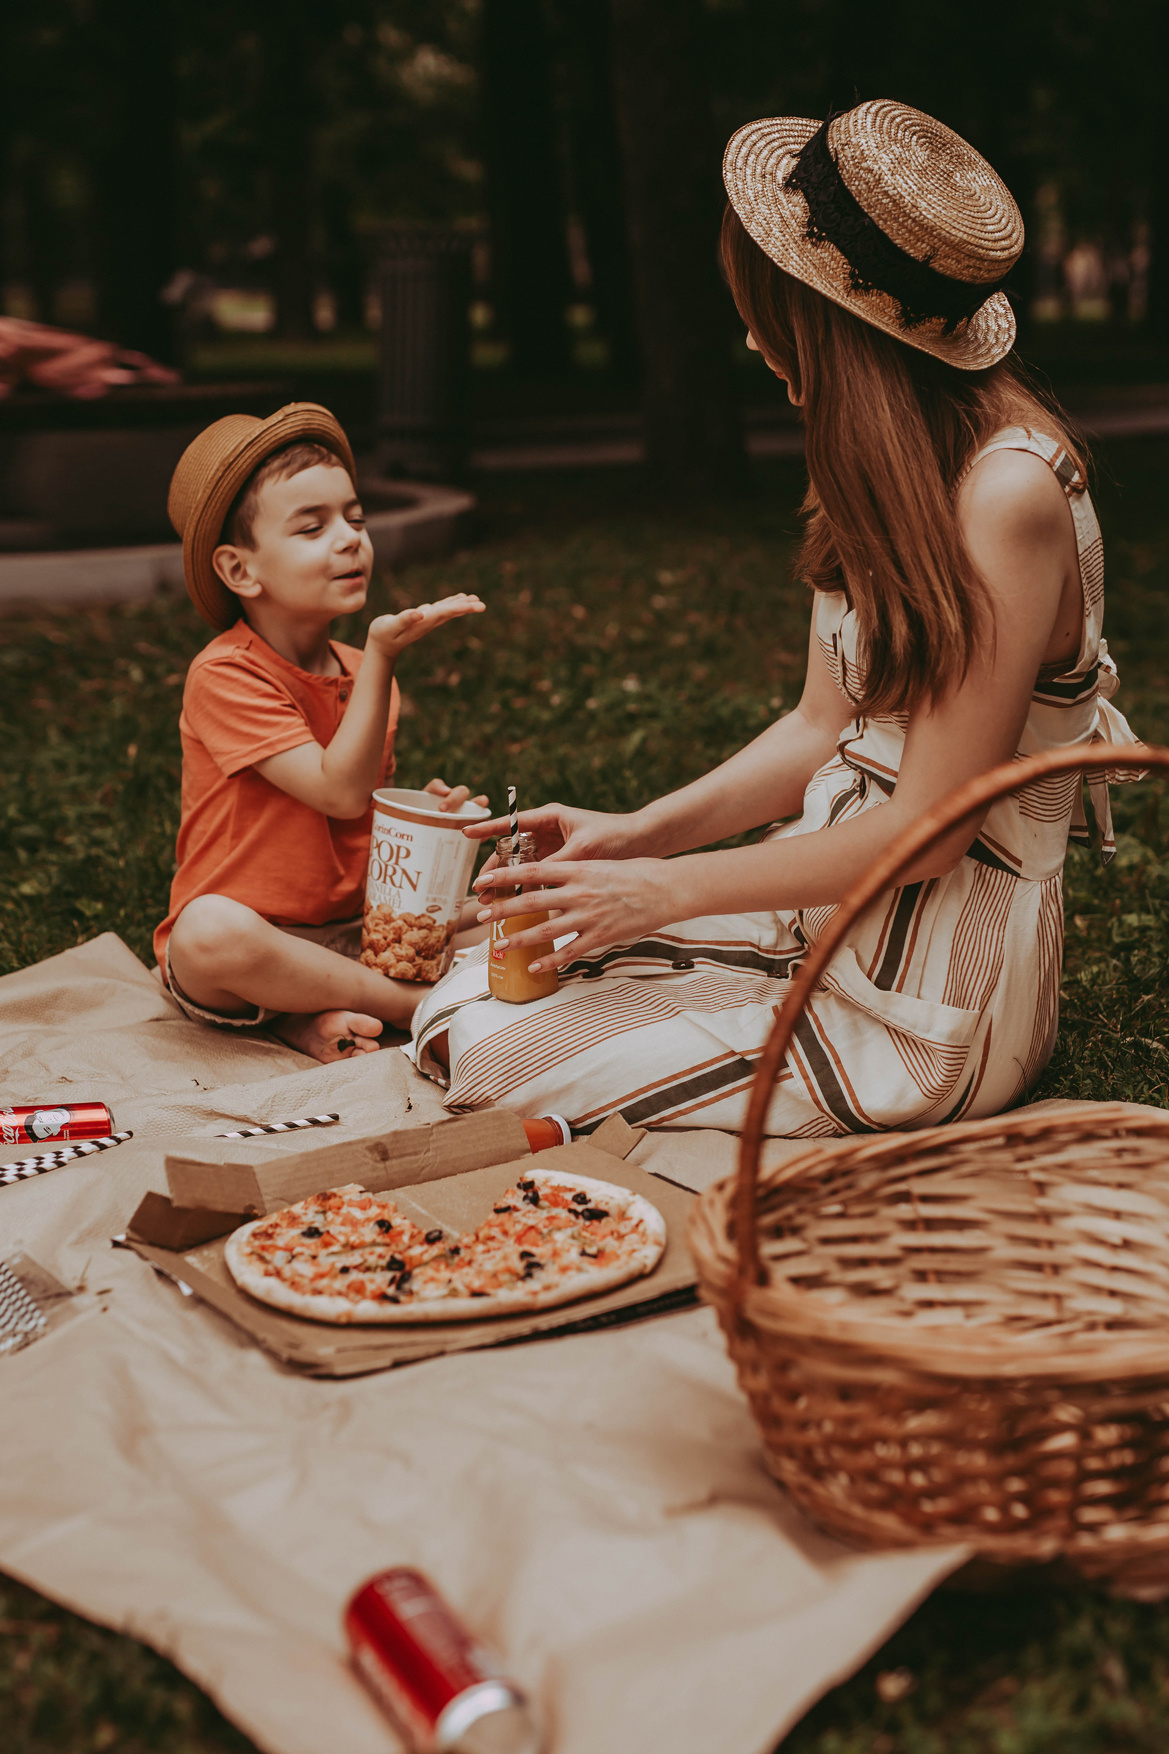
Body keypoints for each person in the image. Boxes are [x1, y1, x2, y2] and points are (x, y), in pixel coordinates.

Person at [410, 100, 1142, 1135]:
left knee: (488, 1047)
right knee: (472, 972)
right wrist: (635, 838)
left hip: (925, 1003)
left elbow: (929, 834)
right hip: (825, 913)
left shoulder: (1006, 491)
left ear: (823, 319)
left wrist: (665, 893)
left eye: (764, 305)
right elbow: (815, 726)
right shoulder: (875, 459)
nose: (749, 332)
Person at [155, 403, 486, 1063]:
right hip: (255, 939)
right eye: (312, 528)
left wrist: (428, 826)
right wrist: (386, 653)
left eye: (354, 518)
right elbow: (335, 792)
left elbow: (358, 810)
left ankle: (308, 1018)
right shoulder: (224, 673)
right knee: (206, 933)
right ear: (240, 570)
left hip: (353, 934)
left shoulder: (366, 676)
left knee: (518, 896)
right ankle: (403, 1004)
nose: (348, 539)